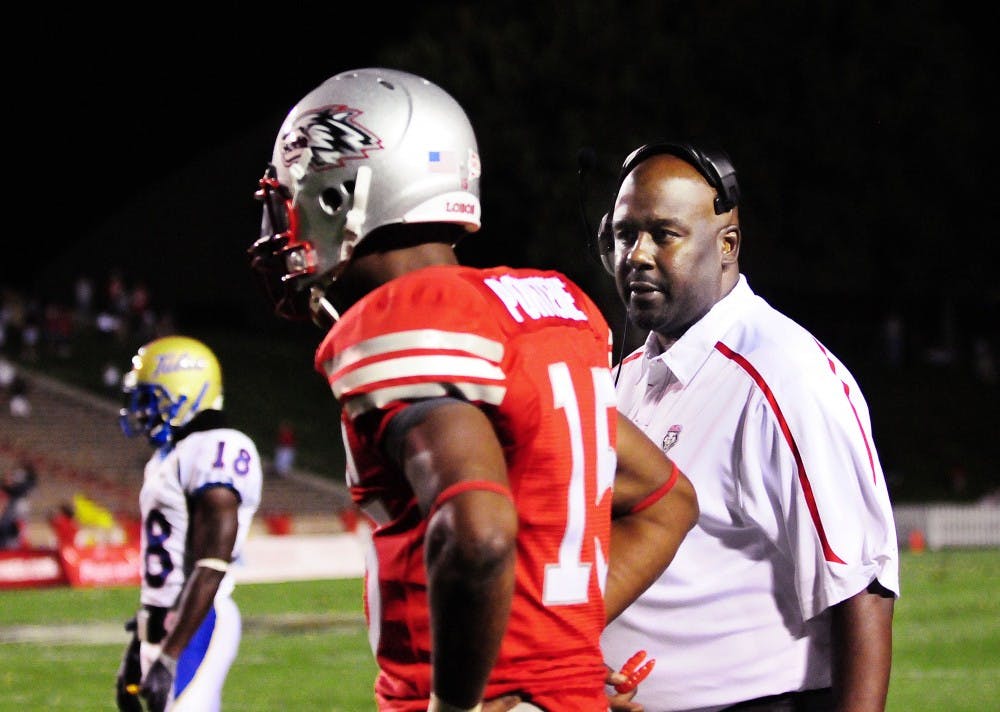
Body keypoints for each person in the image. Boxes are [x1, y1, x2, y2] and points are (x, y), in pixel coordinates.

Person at [247, 67, 698, 712]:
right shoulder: (546, 307)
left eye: (292, 194)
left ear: (341, 194)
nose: (282, 220)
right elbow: (667, 500)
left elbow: (477, 531)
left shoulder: (402, 319)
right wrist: (554, 661)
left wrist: (459, 702)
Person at [595, 141, 900, 712]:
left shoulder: (784, 375)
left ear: (727, 245)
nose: (635, 254)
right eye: (622, 234)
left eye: (663, 234)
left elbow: (863, 588)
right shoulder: (627, 378)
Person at [114, 335, 262, 712]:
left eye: (151, 399)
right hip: (167, 625)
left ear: (184, 393)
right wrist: (141, 645)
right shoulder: (167, 458)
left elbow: (211, 563)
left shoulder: (217, 446)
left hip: (198, 623)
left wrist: (170, 654)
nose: (142, 412)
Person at [0, 459, 38, 548]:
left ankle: (10, 543)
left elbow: (22, 489)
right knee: (7, 523)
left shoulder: (25, 479)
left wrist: (8, 485)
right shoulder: (20, 477)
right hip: (14, 505)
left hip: (18, 505)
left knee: (13, 525)